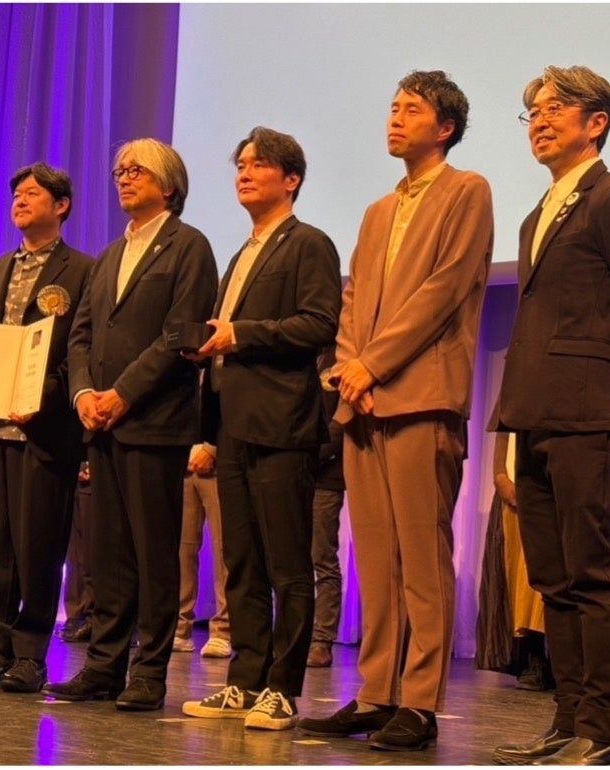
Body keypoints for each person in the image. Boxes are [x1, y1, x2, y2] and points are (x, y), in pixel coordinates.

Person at [298, 71, 493, 751]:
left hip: (421, 394)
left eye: (411, 109)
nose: (395, 118)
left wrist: (372, 364)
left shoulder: (467, 190)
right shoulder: (379, 209)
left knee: (421, 553)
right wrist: (349, 367)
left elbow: (443, 290)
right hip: (364, 398)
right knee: (375, 556)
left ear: (445, 127)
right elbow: (353, 298)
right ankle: (376, 692)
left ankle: (419, 701)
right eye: (392, 107)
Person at [489, 65, 610, 766]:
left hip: (589, 414)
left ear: (595, 122)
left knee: (591, 574)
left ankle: (602, 729)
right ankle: (567, 721)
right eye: (532, 111)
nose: (538, 119)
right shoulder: (538, 212)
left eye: (555, 108)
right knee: (552, 579)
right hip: (535, 412)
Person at [45, 138, 218, 712]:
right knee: (108, 554)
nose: (123, 177)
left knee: (153, 552)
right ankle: (103, 666)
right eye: (119, 170)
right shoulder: (109, 255)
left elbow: (179, 334)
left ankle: (149, 671)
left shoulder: (189, 246)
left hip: (154, 422)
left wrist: (123, 393)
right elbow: (80, 335)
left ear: (168, 185)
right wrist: (83, 393)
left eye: (136, 170)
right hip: (102, 423)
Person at [182, 126, 341, 731]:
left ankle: (282, 688)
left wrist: (240, 335)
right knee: (241, 561)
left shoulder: (309, 243)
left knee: (286, 563)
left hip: (281, 425)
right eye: (240, 165)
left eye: (258, 165)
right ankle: (244, 680)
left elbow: (319, 323)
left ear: (291, 179)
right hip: (233, 425)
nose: (244, 174)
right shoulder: (240, 254)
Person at [0, 162, 93, 694]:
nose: (20, 201)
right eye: (16, 195)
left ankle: (30, 655)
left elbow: (81, 351)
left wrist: (43, 398)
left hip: (44, 433)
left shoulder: (83, 270)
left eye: (32, 194)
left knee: (38, 549)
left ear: (61, 205)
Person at [475, 432, 553, 691]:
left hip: (552, 491)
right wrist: (500, 477)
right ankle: (532, 658)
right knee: (518, 581)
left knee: (546, 580)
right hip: (514, 493)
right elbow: (503, 430)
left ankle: (558, 663)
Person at [174, 441, 232, 658]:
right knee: (181, 551)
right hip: (182, 461)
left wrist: (211, 449)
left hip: (220, 464)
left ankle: (223, 631)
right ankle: (180, 627)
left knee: (224, 549)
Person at [307, 345, 345, 669]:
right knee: (289, 559)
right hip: (292, 472)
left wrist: (311, 455)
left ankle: (322, 639)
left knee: (322, 558)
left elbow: (341, 421)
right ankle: (293, 635)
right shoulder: (302, 353)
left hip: (326, 475)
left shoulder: (341, 355)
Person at [58, 460, 93, 642]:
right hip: (73, 469)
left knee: (94, 549)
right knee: (74, 551)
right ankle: (76, 612)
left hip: (102, 466)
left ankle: (94, 615)